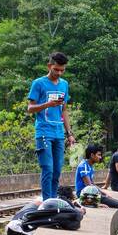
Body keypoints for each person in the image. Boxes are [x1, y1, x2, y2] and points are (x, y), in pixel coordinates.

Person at [27, 51, 75, 202]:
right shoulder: (39, 83)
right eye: (56, 69)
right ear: (49, 66)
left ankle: (53, 200)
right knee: (47, 168)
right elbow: (30, 108)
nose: (59, 73)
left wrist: (69, 133)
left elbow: (64, 110)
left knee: (57, 170)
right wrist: (48, 104)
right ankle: (47, 201)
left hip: (59, 133)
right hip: (43, 131)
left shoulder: (64, 84)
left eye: (62, 70)